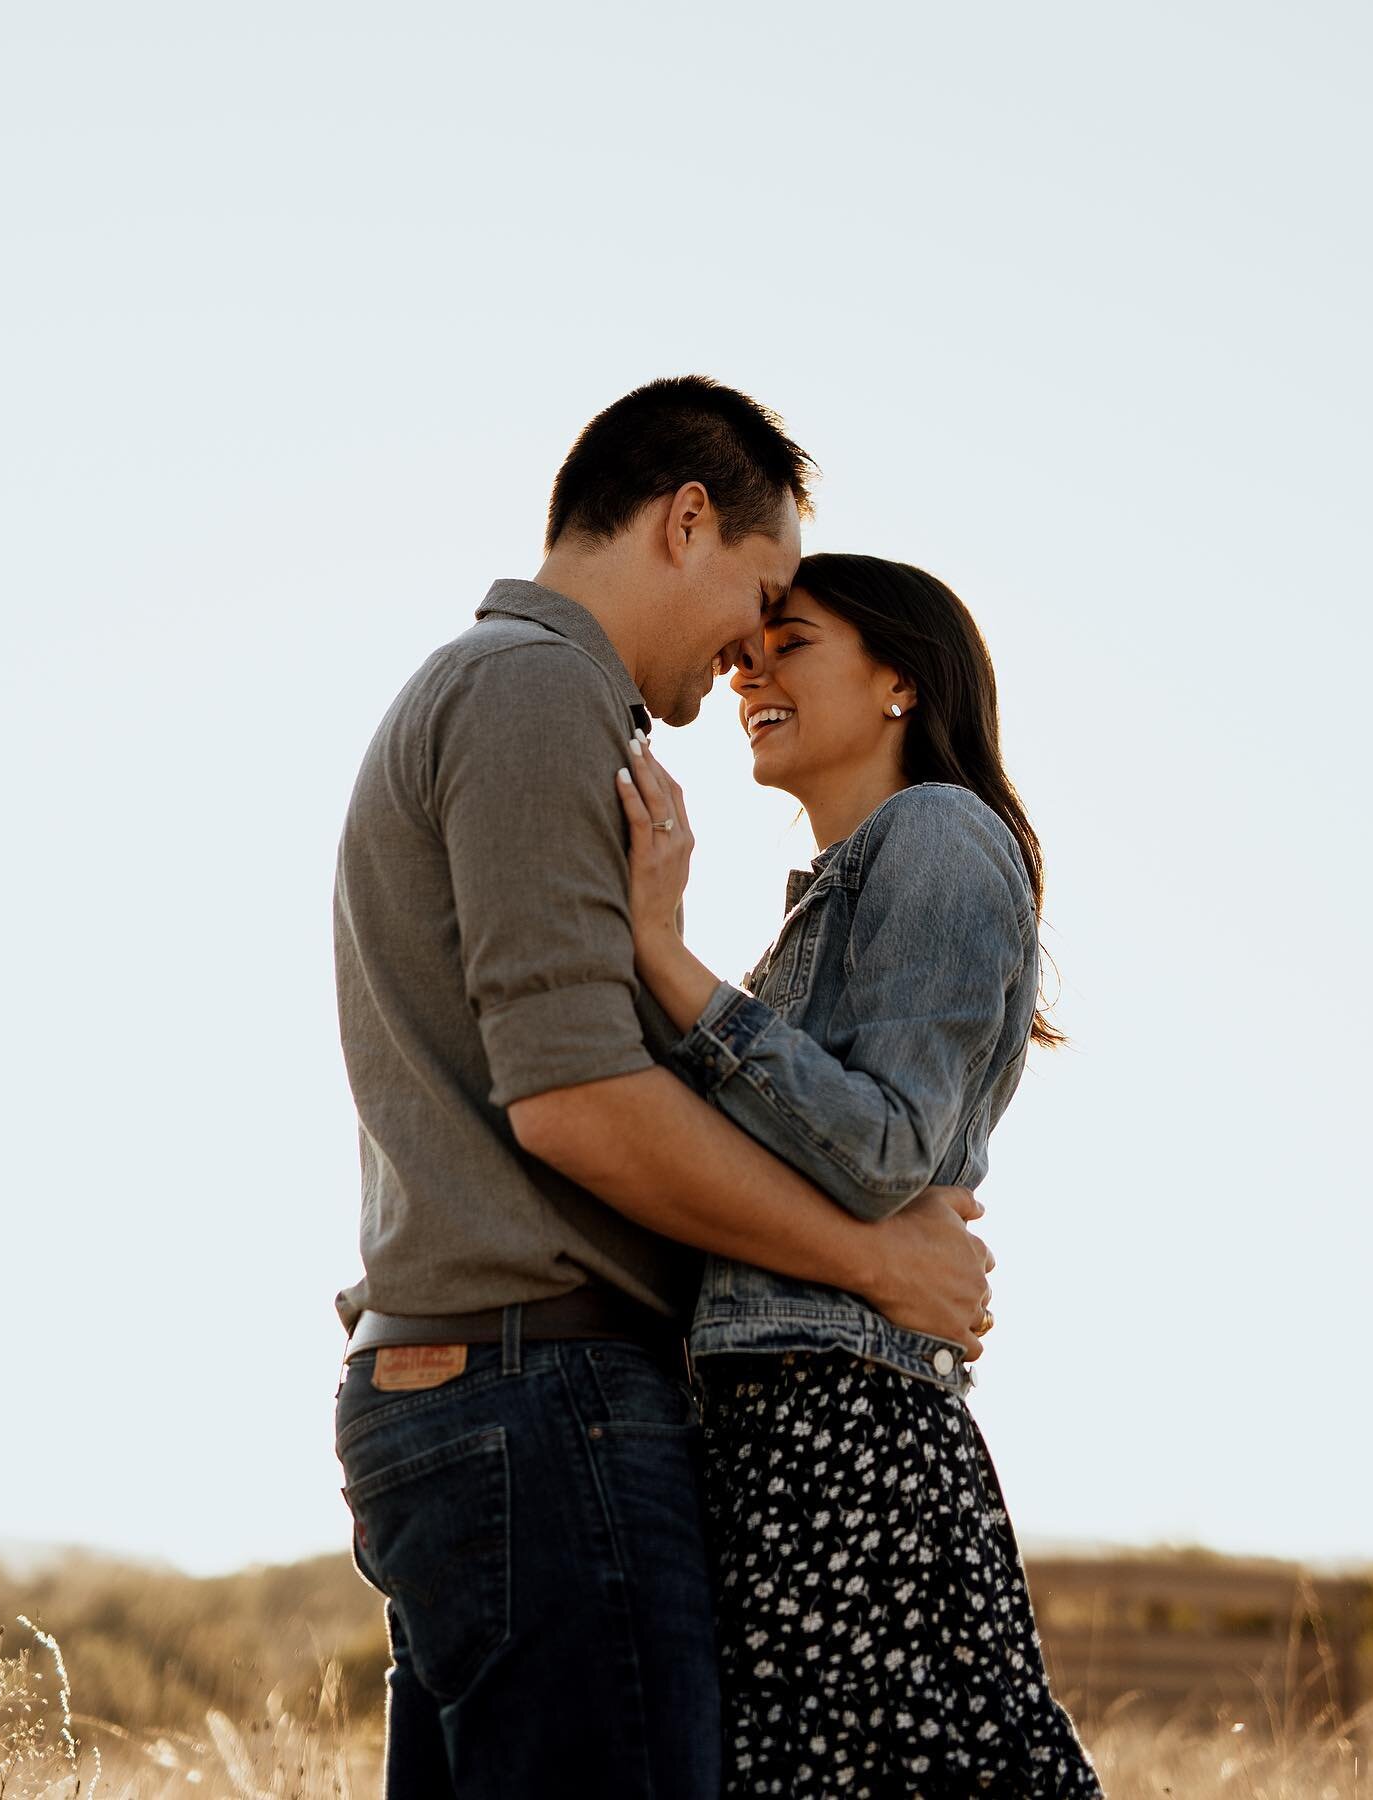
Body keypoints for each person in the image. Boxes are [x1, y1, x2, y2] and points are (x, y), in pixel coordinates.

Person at [330, 380, 996, 1798]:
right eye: (761, 592)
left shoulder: (515, 691)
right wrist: (877, 1260)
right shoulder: (533, 688)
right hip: (539, 1394)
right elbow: (576, 1103)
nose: (753, 644)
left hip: (492, 1390)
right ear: (686, 521)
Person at [614, 553, 1102, 1796]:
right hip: (794, 1429)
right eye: (743, 650)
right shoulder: (842, 890)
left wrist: (669, 967)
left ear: (900, 680)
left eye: (794, 642)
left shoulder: (938, 833)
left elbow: (884, 1149)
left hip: (849, 1439)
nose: (748, 669)